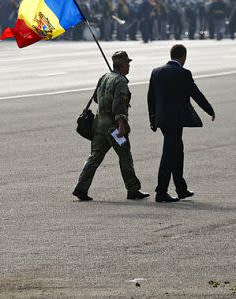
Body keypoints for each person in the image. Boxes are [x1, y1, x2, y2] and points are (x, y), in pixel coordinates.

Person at [73, 51, 148, 202]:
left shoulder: (104, 77)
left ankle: (81, 188)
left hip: (99, 124)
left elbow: (96, 98)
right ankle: (133, 189)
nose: (129, 66)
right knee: (125, 155)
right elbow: (119, 105)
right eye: (127, 63)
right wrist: (121, 125)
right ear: (121, 65)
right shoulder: (120, 81)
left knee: (94, 157)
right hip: (113, 127)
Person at [147, 44, 215, 202]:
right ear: (183, 56)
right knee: (169, 154)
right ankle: (161, 191)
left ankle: (181, 188)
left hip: (162, 120)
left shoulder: (156, 72)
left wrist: (153, 120)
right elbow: (196, 94)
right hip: (176, 120)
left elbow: (151, 98)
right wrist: (209, 110)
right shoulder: (183, 73)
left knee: (177, 151)